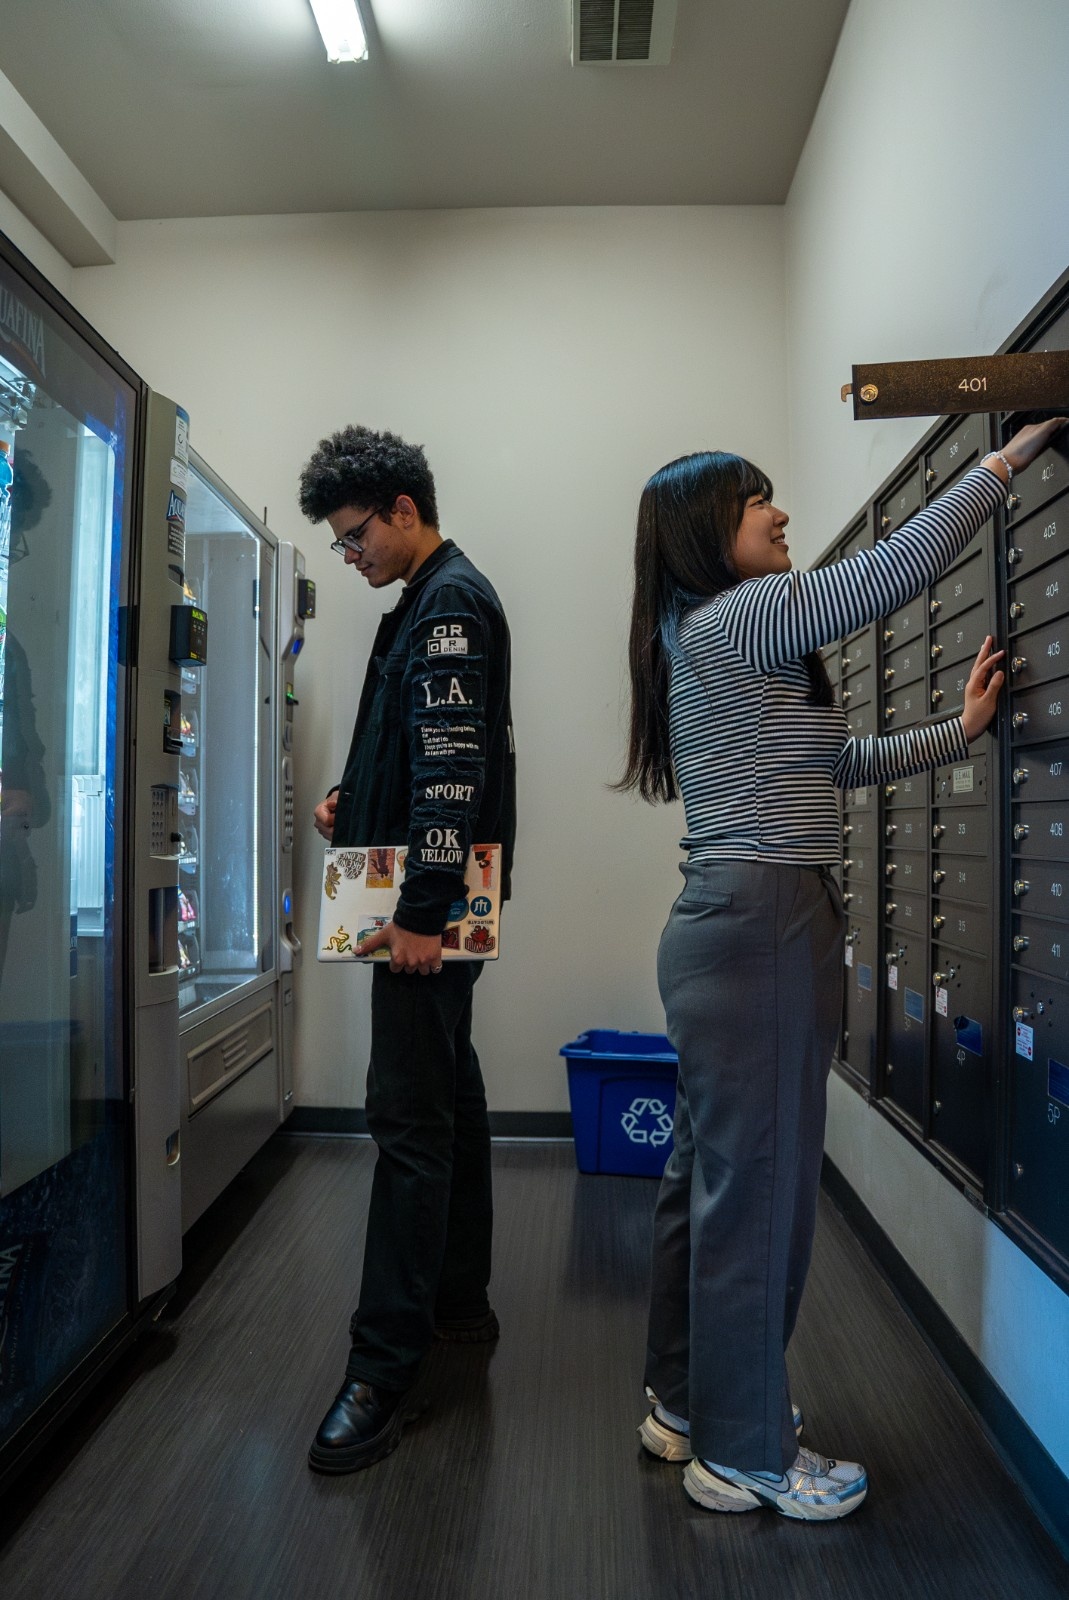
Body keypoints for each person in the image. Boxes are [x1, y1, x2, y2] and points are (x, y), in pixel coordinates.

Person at [618, 417, 1066, 1521]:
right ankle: (748, 1452)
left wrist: (955, 731)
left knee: (716, 1184)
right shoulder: (742, 615)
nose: (779, 514)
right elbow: (892, 571)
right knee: (759, 1200)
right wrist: (999, 468)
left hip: (733, 924)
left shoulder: (701, 634)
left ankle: (689, 1405)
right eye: (756, 500)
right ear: (704, 530)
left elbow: (836, 762)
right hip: (764, 925)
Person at [298, 424, 516, 1474]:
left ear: (401, 508)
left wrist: (422, 911)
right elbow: (419, 754)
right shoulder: (426, 602)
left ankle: (382, 1369)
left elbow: (452, 772)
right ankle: (459, 1305)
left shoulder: (449, 606)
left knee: (405, 1122)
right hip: (418, 898)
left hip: (418, 916)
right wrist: (356, 800)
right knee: (450, 1099)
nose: (351, 557)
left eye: (352, 537)